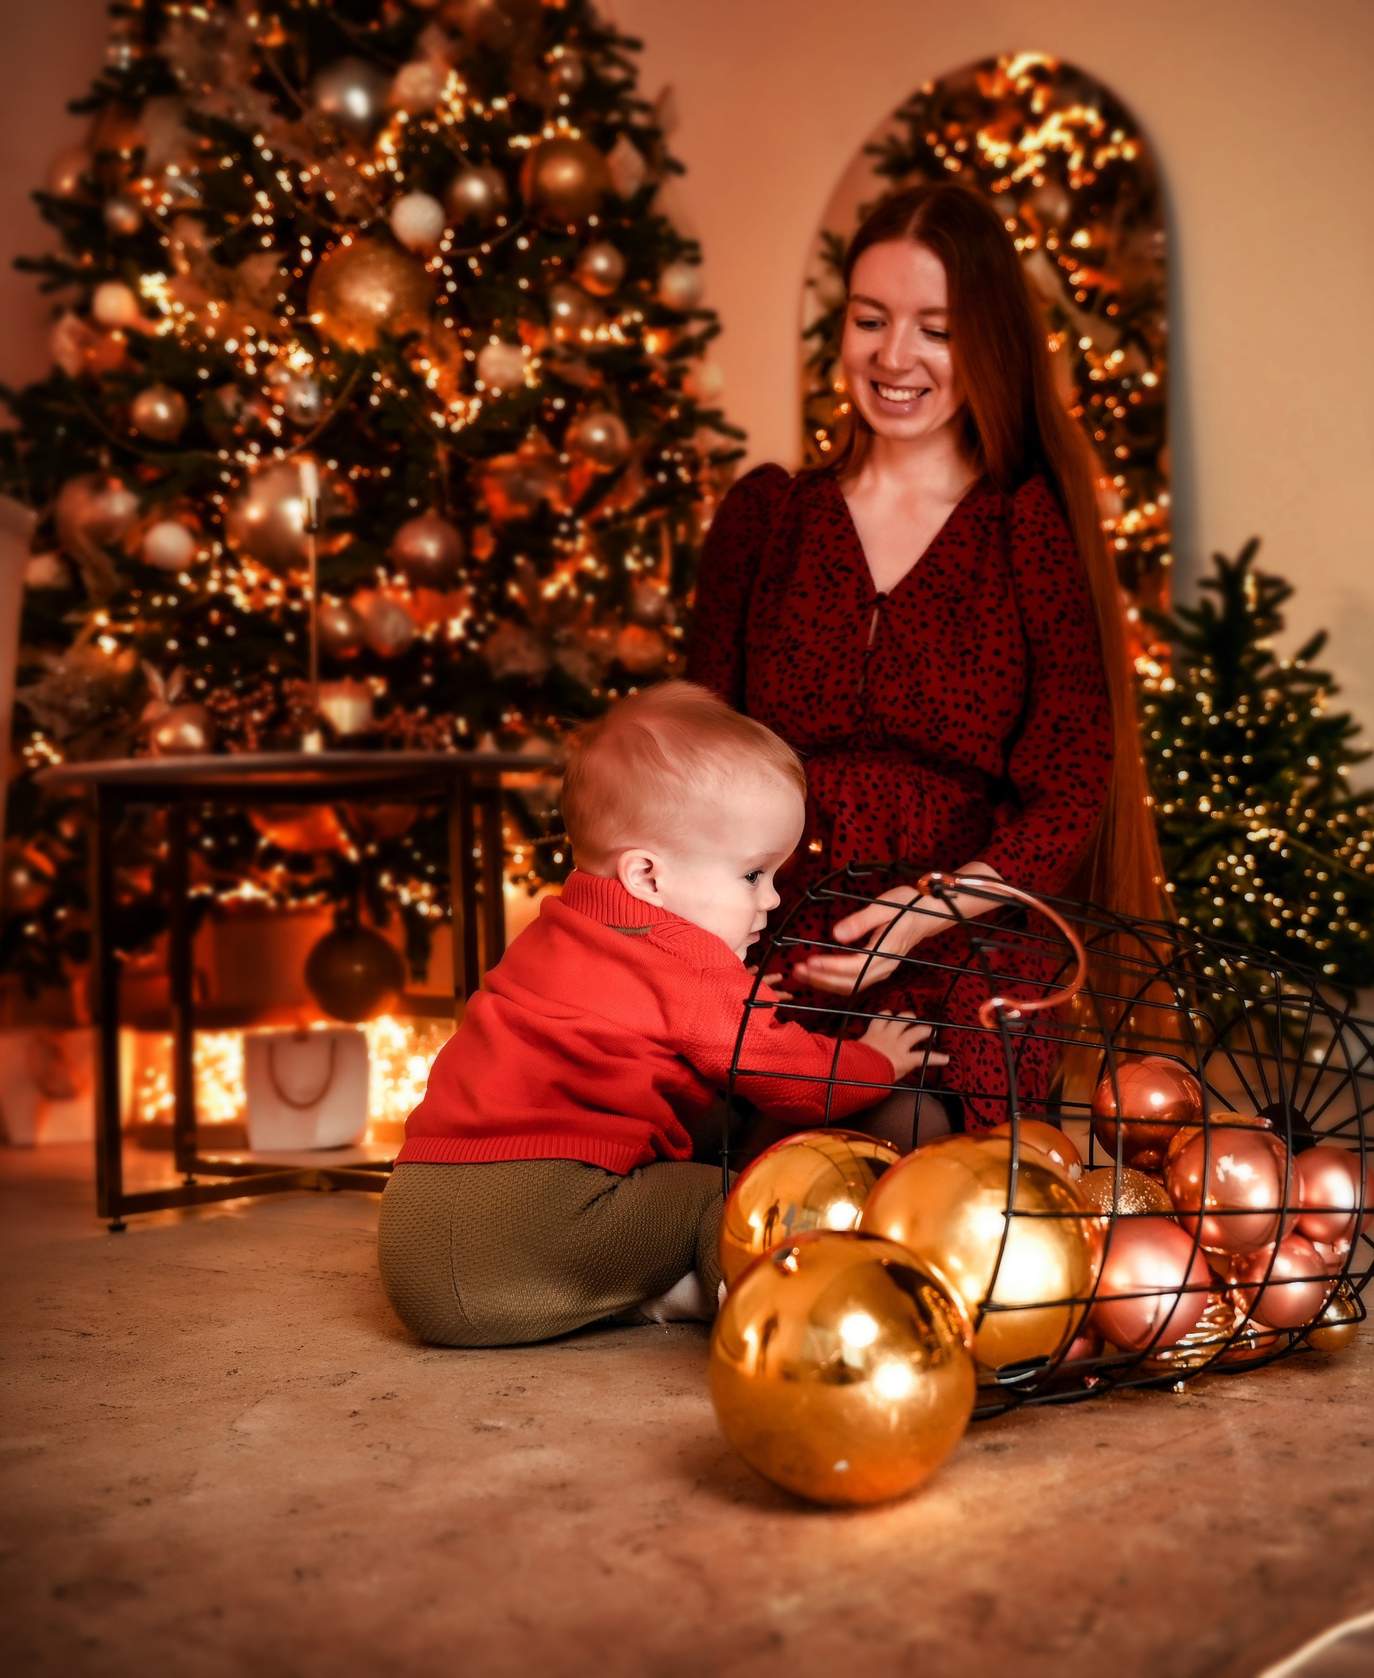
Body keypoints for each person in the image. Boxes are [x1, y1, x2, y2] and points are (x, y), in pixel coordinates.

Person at [687, 182, 1165, 1147]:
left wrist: (918, 916)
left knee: (907, 1148)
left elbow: (1073, 784)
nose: (893, 357)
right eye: (872, 319)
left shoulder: (1027, 527)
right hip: (778, 921)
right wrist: (729, 932)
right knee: (726, 1139)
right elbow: (696, 754)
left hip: (967, 937)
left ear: (985, 342)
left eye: (934, 328)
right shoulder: (769, 516)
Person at [376, 681, 943, 1348]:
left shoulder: (553, 929)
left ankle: (617, 1292)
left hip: (412, 1253)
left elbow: (642, 1019)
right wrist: (876, 1060)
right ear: (648, 876)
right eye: (752, 876)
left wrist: (734, 991)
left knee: (668, 1150)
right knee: (723, 1197)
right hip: (535, 1229)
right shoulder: (686, 964)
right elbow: (785, 1074)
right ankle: (743, 1307)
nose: (769, 900)